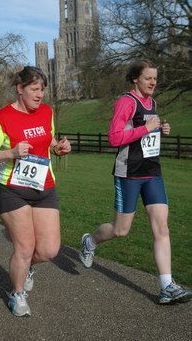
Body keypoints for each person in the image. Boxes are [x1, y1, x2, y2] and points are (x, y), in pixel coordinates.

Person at [79, 57, 192, 305]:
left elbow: (147, 129)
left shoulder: (152, 102)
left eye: (155, 78)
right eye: (148, 78)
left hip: (152, 172)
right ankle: (90, 240)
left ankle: (166, 286)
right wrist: (146, 128)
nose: (153, 82)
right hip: (129, 174)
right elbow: (114, 137)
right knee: (121, 230)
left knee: (162, 228)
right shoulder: (126, 102)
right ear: (135, 78)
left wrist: (160, 129)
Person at [0, 66, 71, 317]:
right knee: (24, 247)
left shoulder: (47, 112)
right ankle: (17, 294)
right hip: (13, 190)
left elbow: (48, 140)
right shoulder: (3, 117)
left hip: (44, 187)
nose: (39, 94)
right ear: (20, 89)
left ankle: (27, 267)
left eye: (42, 89)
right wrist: (10, 152)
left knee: (49, 250)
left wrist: (58, 147)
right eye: (34, 89)